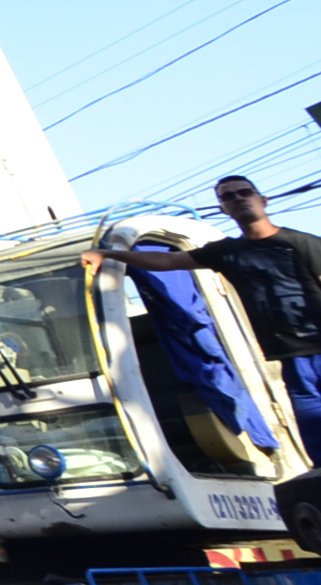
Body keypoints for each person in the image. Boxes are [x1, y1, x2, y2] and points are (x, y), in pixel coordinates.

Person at [86, 175, 321, 457]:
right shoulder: (227, 252)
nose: (238, 198)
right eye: (228, 197)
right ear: (223, 209)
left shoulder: (300, 242)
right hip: (292, 355)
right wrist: (109, 254)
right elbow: (168, 261)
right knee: (314, 431)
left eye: (245, 192)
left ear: (263, 200)